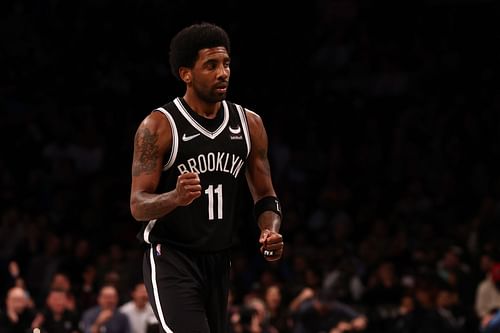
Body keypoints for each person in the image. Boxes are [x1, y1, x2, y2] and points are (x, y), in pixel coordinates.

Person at [129, 22, 284, 333]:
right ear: (186, 73)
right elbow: (137, 205)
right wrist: (175, 197)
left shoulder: (250, 124)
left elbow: (266, 195)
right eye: (211, 65)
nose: (223, 73)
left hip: (217, 261)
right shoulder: (158, 126)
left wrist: (269, 230)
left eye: (226, 64)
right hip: (171, 258)